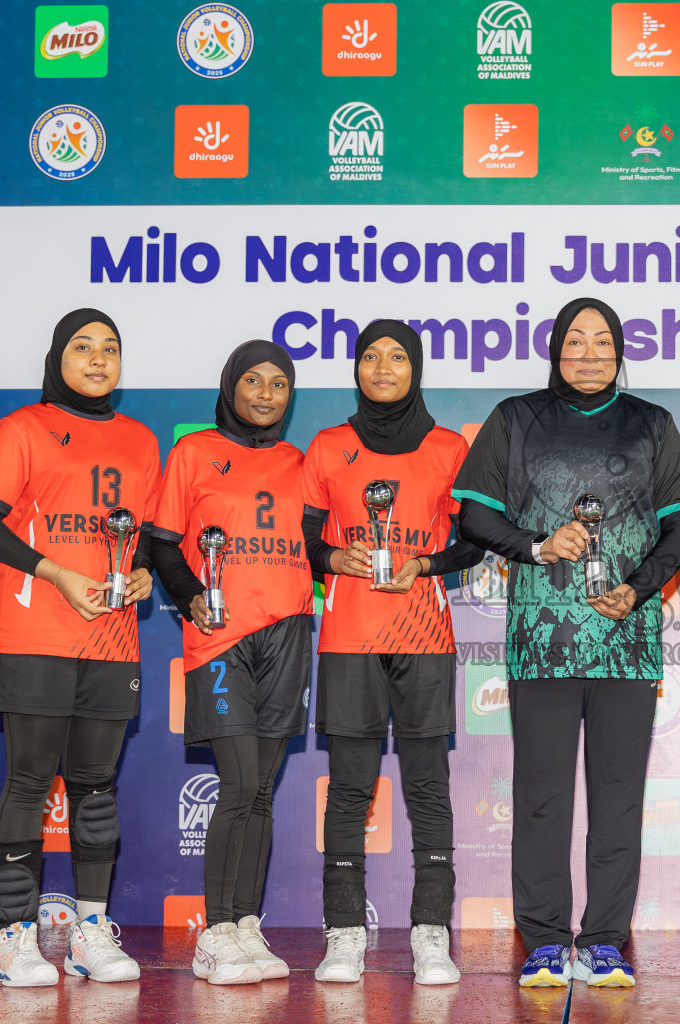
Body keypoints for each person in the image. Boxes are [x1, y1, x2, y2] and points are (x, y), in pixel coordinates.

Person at [452, 297, 680, 989]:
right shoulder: (515, 418)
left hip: (627, 642)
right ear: (555, 349)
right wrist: (536, 544)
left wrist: (641, 586)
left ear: (620, 352)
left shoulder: (652, 424)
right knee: (540, 797)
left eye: (602, 342)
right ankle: (542, 942)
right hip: (542, 641)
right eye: (575, 342)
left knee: (619, 797)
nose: (589, 354)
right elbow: (473, 516)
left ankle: (604, 941)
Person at [0, 309, 159, 986]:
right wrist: (53, 572)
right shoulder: (22, 428)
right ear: (58, 357)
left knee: (96, 787)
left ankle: (90, 932)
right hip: (36, 634)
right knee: (27, 781)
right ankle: (13, 939)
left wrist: (142, 575)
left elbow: (141, 539)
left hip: (111, 639)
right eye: (83, 346)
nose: (99, 358)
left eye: (111, 347)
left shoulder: (141, 441)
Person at [301, 320, 483, 986]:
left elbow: (475, 539)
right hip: (349, 639)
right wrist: (332, 557)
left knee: (428, 790)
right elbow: (302, 538)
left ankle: (432, 934)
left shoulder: (446, 448)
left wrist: (428, 563)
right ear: (357, 369)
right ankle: (344, 934)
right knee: (349, 791)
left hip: (425, 640)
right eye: (371, 356)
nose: (383, 367)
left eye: (397, 356)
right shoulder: (327, 447)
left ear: (416, 369)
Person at [150, 340, 315, 985]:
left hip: (288, 631)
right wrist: (192, 600)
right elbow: (162, 546)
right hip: (221, 639)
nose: (266, 393)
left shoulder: (299, 463)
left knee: (262, 793)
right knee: (240, 784)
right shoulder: (192, 453)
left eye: (279, 383)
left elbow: (317, 544)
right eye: (253, 380)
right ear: (230, 386)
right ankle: (216, 933)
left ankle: (247, 925)